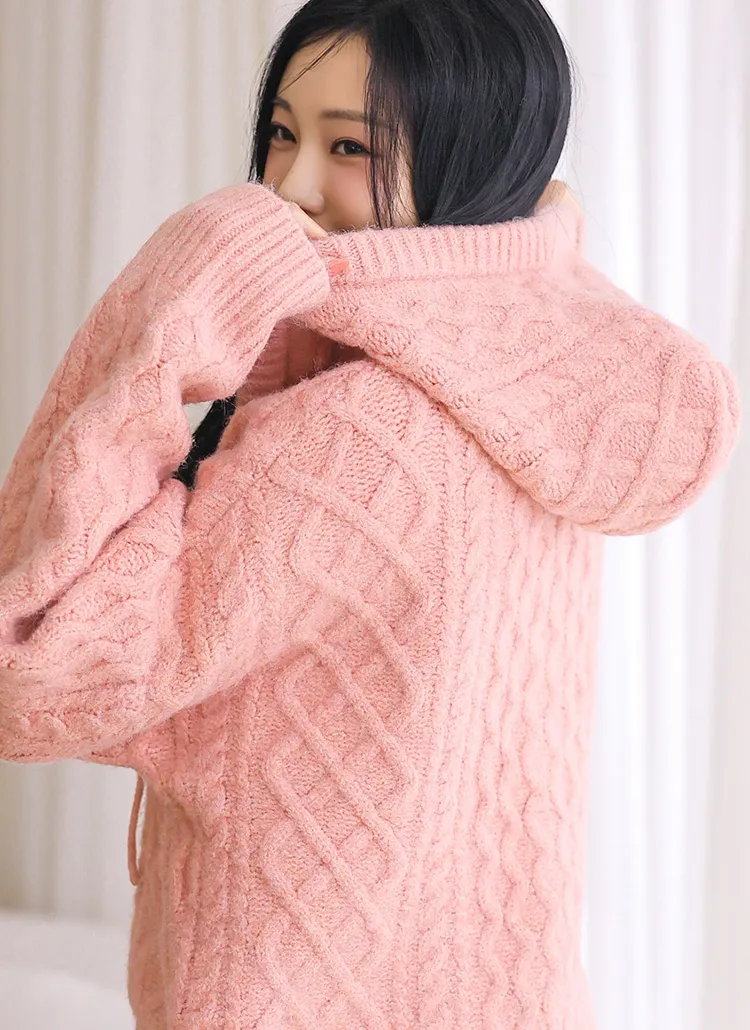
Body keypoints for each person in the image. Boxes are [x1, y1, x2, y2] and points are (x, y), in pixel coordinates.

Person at [0, 1, 740, 1028]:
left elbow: (32, 659)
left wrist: (180, 294)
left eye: (351, 147)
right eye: (282, 133)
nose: (288, 188)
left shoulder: (359, 433)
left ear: (467, 155)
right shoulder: (539, 379)